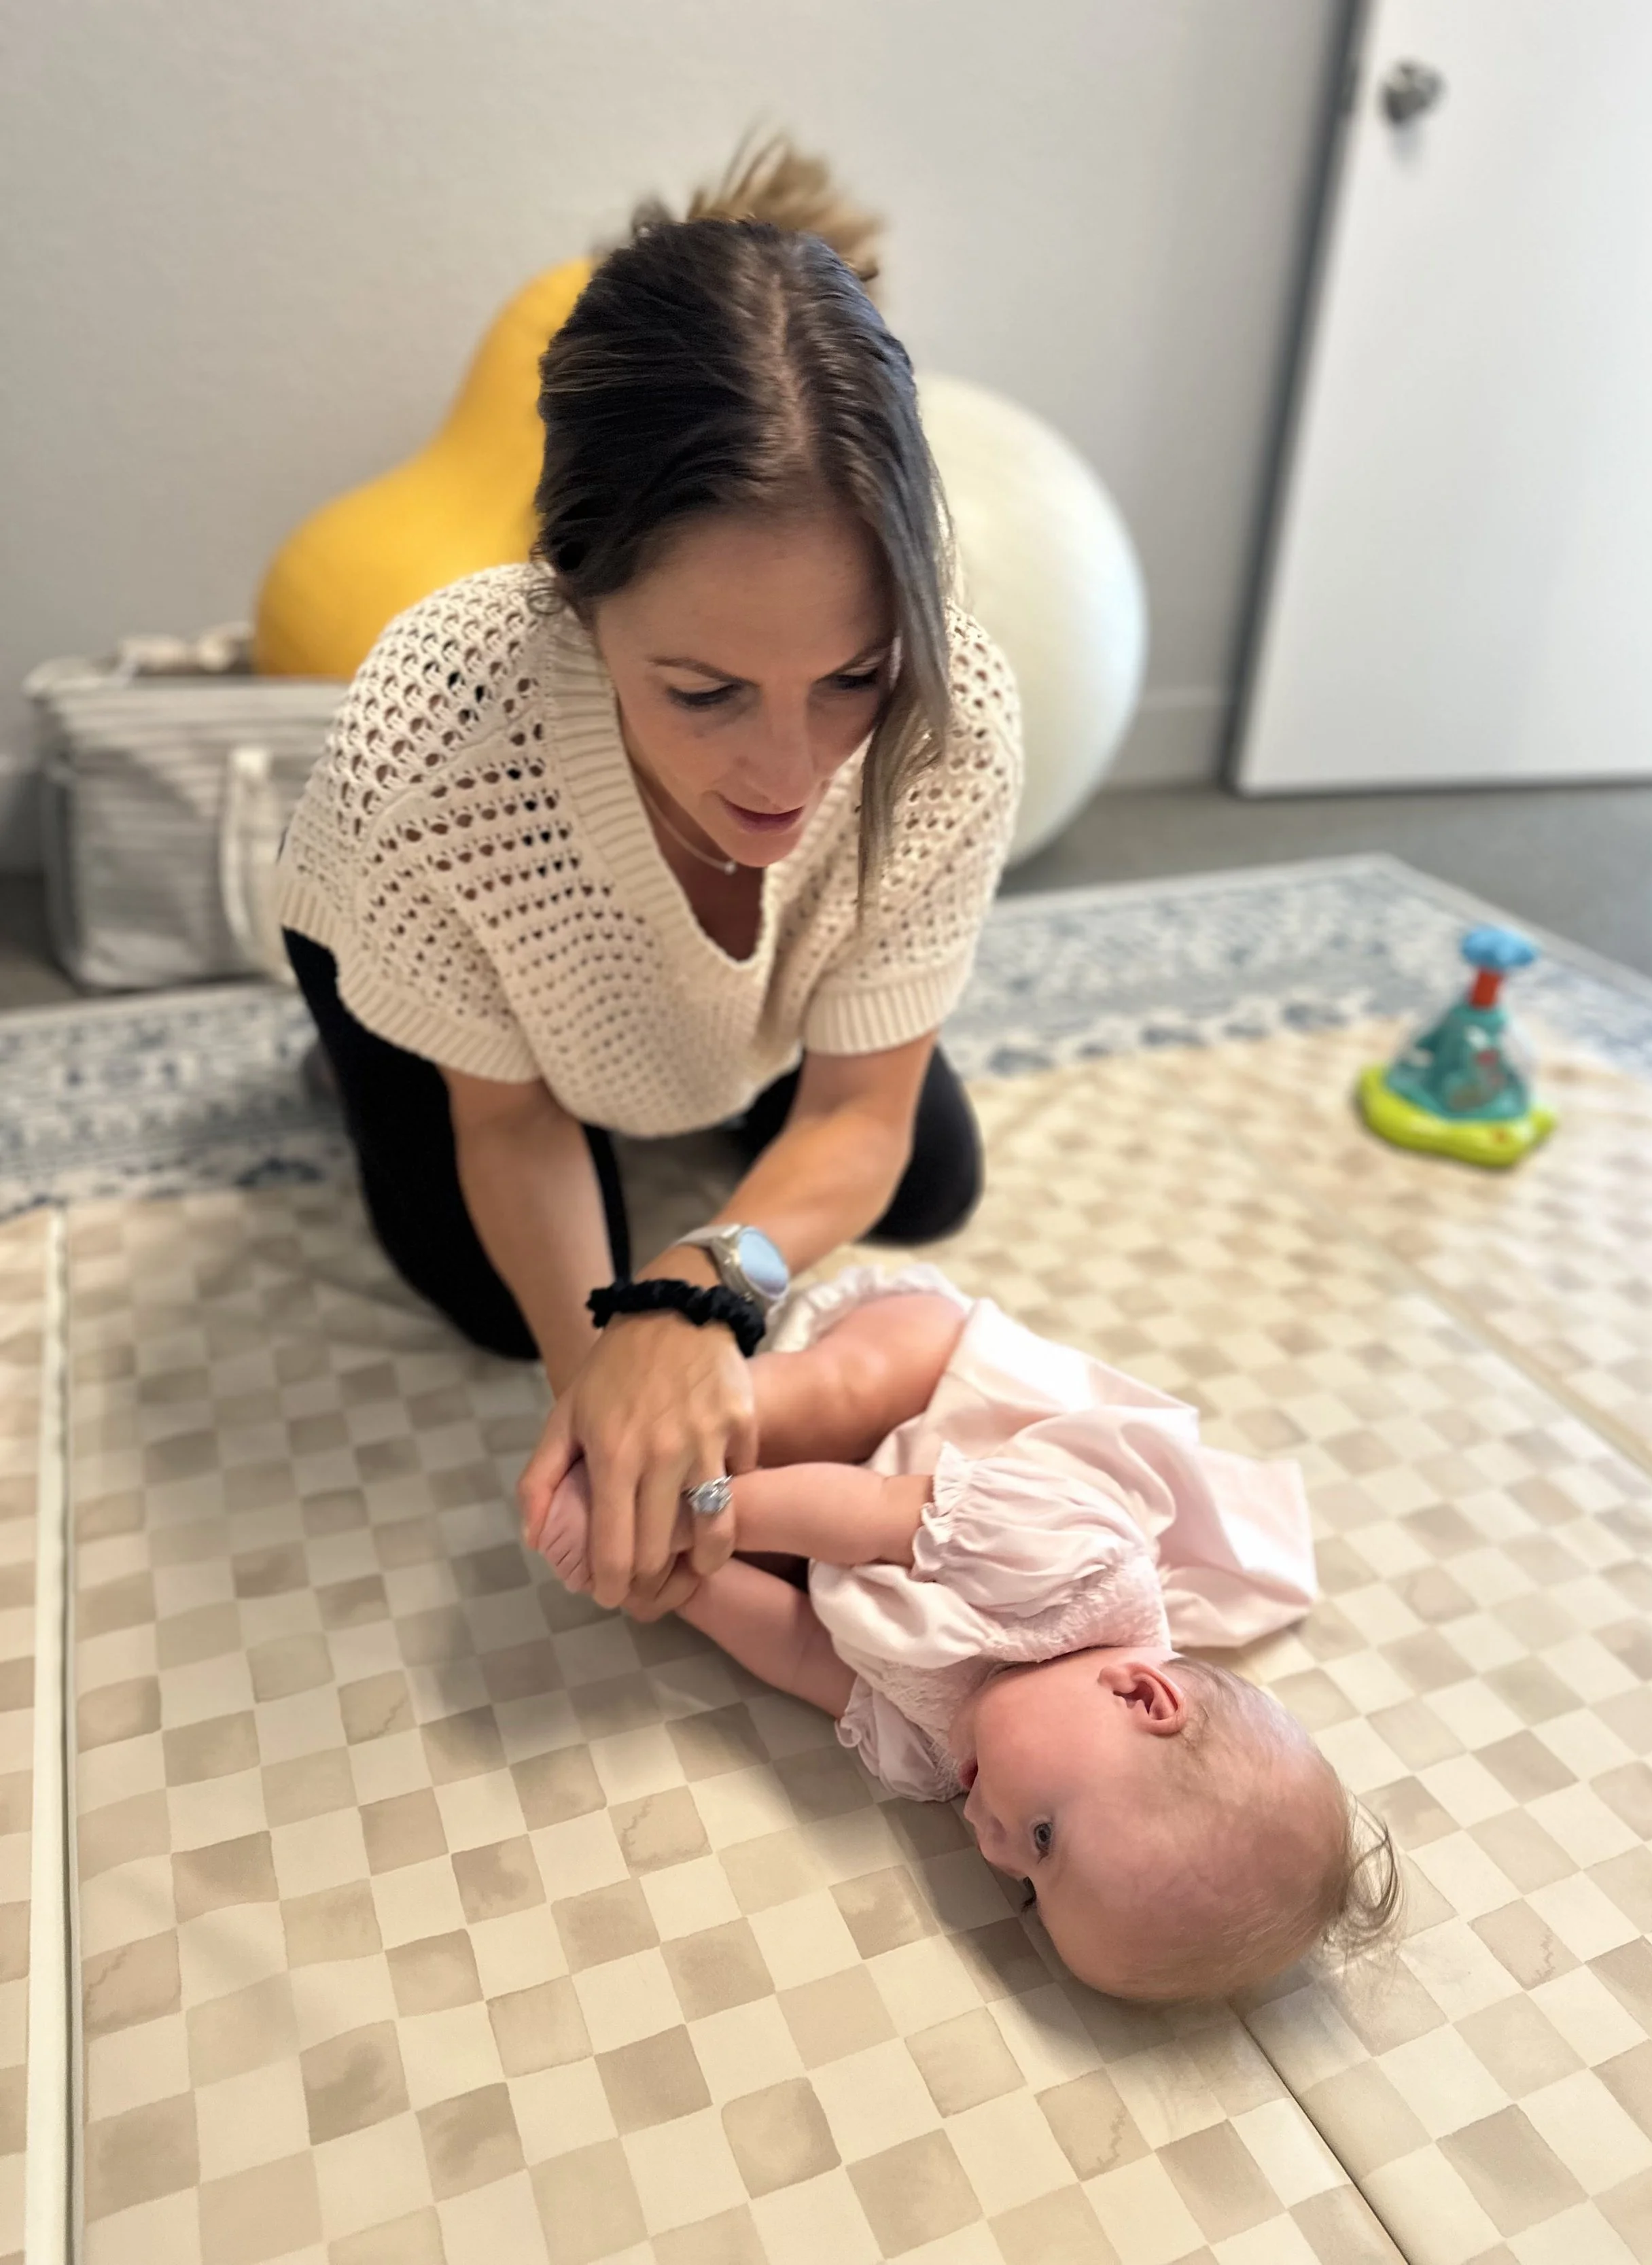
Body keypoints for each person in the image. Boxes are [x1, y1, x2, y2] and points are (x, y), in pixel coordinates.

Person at [276, 144, 1022, 1615]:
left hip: (717, 983)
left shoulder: (956, 721)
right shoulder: (436, 739)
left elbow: (860, 1114)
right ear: (574, 592)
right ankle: (353, 1044)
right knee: (497, 1302)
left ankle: (694, 1049)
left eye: (851, 675)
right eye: (701, 689)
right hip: (421, 937)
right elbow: (510, 1123)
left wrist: (698, 1282)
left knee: (930, 1178)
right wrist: (609, 1377)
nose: (787, 769)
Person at [530, 1267, 1402, 2003]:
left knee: (763, 1547)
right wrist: (696, 1517)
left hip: (850, 1530)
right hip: (927, 1384)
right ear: (1141, 1695)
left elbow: (804, 1652)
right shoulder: (1080, 1570)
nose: (992, 1844)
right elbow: (866, 1514)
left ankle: (648, 1470)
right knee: (817, 1406)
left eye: (1027, 1887)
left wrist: (682, 1582)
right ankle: (644, 1424)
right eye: (1046, 1838)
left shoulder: (948, 1761)